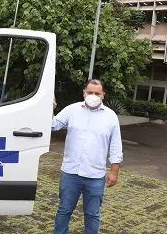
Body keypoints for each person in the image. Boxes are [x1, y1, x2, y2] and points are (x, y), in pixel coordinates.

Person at [51, 79, 123, 234]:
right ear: (84, 93)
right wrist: (49, 108)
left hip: (95, 176)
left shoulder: (111, 117)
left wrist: (114, 171)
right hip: (70, 173)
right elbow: (53, 125)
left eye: (97, 93)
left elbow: (116, 146)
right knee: (64, 211)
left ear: (103, 95)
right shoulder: (72, 110)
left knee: (92, 215)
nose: (93, 95)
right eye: (90, 92)